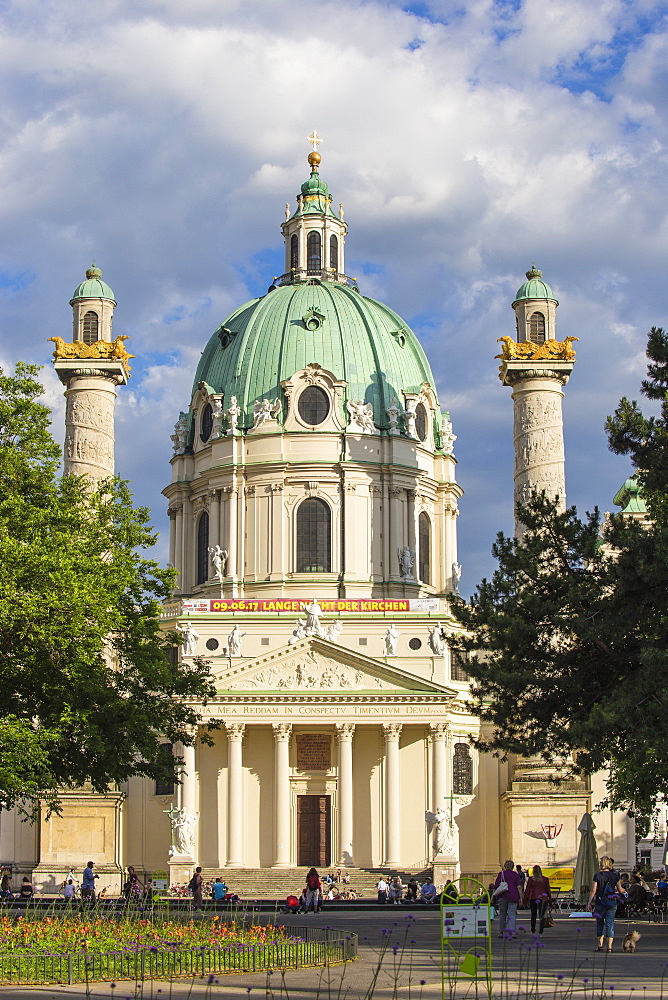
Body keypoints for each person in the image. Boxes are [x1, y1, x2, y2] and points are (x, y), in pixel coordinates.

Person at [587, 855, 625, 953]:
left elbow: (593, 890)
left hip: (600, 902)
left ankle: (600, 946)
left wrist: (589, 902)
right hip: (611, 902)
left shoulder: (597, 876)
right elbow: (620, 890)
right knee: (610, 924)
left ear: (602, 864)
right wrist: (625, 891)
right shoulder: (615, 876)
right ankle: (609, 947)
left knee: (599, 924)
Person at [493, 860, 523, 936]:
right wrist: (521, 898)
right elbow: (519, 887)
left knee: (502, 914)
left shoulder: (501, 874)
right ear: (513, 867)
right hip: (513, 896)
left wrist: (492, 897)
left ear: (505, 866)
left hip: (502, 895)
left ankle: (501, 931)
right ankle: (512, 931)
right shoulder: (515, 875)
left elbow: (496, 886)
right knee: (512, 914)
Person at [522, 865, 552, 934]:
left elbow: (527, 890)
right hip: (543, 898)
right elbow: (548, 891)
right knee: (541, 915)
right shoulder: (545, 879)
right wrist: (550, 902)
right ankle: (541, 932)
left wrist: (525, 901)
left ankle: (533, 930)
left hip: (533, 898)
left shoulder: (531, 879)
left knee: (533, 915)